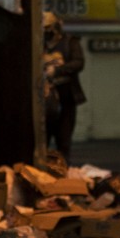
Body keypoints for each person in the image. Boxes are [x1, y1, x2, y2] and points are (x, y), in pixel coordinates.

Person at [42, 12, 86, 163]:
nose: (47, 33)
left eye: (48, 29)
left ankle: (63, 171)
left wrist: (58, 70)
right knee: (43, 141)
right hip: (45, 99)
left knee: (64, 139)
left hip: (65, 96)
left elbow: (78, 62)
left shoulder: (69, 42)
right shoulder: (39, 44)